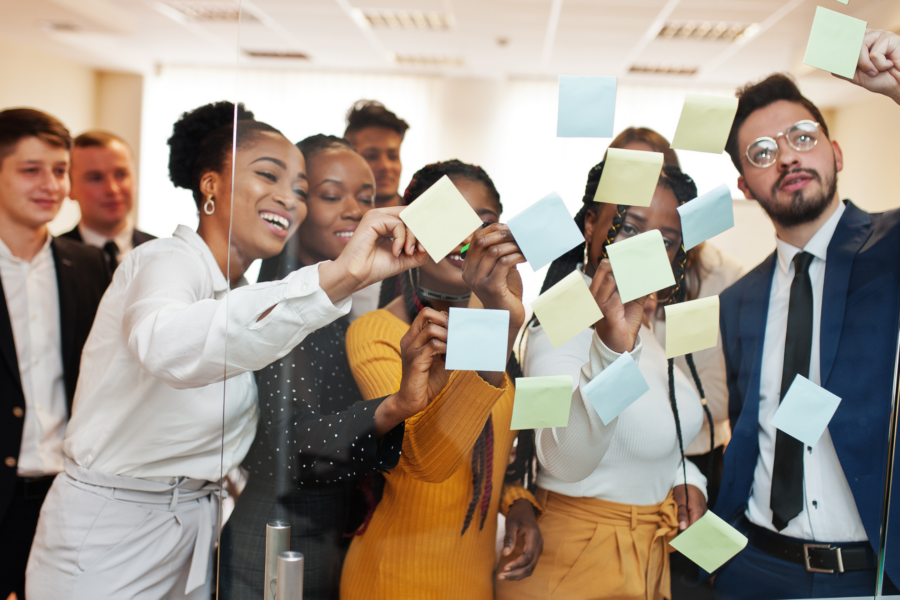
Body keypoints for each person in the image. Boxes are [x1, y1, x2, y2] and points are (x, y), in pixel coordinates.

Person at [24, 102, 429, 599]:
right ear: (211, 184)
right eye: (268, 176)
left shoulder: (240, 295)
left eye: (299, 190)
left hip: (193, 532)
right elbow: (168, 344)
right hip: (110, 532)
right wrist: (342, 275)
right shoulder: (165, 261)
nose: (287, 198)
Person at [711, 29, 900, 599]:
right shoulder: (736, 300)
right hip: (754, 566)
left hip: (867, 574)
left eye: (802, 136)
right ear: (746, 185)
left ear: (835, 153)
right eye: (762, 152)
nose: (787, 155)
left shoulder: (891, 247)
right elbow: (749, 427)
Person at [496, 163, 708, 600]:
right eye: (630, 228)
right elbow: (563, 460)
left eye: (667, 240)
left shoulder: (644, 325)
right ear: (591, 225)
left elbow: (659, 431)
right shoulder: (560, 317)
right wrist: (612, 353)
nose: (648, 249)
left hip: (644, 554)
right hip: (575, 561)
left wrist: (690, 482)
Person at [340, 160, 543, 600]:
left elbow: (497, 446)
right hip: (392, 579)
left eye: (483, 223)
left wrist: (519, 504)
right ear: (411, 229)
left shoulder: (499, 321)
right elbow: (426, 459)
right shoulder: (377, 333)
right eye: (449, 218)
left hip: (474, 583)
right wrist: (499, 330)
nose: (467, 237)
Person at [220, 134, 387, 600]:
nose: (354, 209)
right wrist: (394, 408)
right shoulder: (278, 308)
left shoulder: (333, 306)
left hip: (327, 533)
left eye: (367, 198)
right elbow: (292, 447)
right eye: (332, 196)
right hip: (279, 537)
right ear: (296, 205)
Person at [608, 127, 744, 599]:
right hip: (607, 479)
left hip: (690, 465)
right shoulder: (585, 282)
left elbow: (720, 398)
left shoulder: (717, 277)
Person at [0, 108, 110, 600]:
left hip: (69, 496)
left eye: (60, 170)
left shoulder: (89, 266)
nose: (51, 185)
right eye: (31, 170)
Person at [61, 131, 155, 271]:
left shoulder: (163, 253)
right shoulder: (54, 259)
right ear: (70, 187)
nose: (112, 189)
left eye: (121, 175)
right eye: (95, 178)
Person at [344, 100, 408, 209]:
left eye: (392, 156)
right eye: (371, 156)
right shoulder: (337, 222)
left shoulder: (424, 219)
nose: (385, 166)